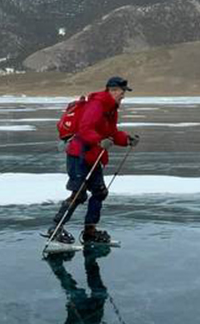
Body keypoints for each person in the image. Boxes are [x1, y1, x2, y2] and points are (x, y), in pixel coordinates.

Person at [44, 76, 139, 245]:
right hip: (79, 155)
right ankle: (55, 229)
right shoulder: (97, 105)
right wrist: (99, 141)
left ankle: (90, 231)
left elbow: (111, 132)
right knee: (78, 194)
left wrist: (126, 139)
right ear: (113, 90)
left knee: (100, 192)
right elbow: (85, 129)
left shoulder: (111, 108)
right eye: (122, 92)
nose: (123, 95)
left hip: (94, 155)